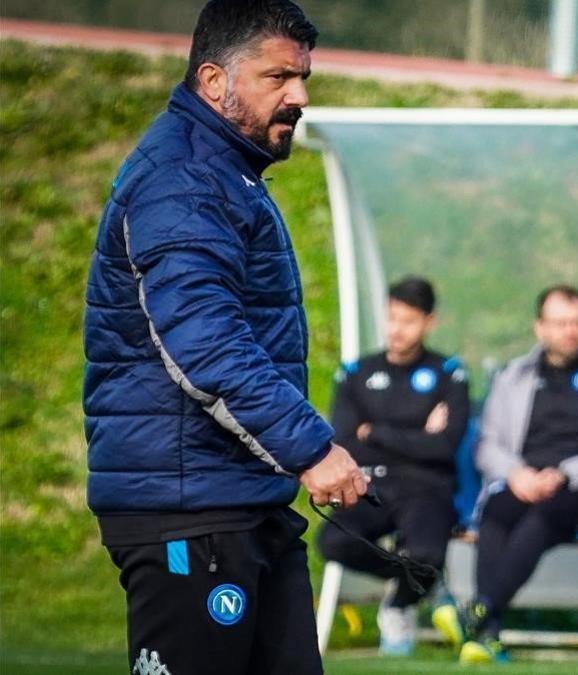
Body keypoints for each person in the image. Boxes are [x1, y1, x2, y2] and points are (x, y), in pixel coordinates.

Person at [83, 2, 366, 672]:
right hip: (189, 512)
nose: (298, 96)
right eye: (278, 78)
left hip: (239, 504)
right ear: (214, 81)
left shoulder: (224, 174)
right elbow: (205, 345)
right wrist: (310, 446)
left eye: (303, 77)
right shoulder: (182, 179)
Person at [451, 285, 578, 664]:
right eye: (560, 323)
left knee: (544, 516)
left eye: (577, 322)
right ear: (540, 328)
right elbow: (488, 445)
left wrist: (561, 474)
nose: (570, 331)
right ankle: (488, 631)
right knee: (496, 511)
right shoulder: (515, 376)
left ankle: (480, 610)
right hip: (521, 479)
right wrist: (516, 474)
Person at [315, 276, 469, 656]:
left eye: (409, 320)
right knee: (331, 541)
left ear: (428, 322)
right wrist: (417, 435)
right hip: (371, 486)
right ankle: (421, 583)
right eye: (392, 318)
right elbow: (347, 441)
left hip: (425, 487)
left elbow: (445, 447)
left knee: (428, 554)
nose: (397, 329)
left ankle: (399, 606)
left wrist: (376, 433)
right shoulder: (355, 374)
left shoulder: (449, 373)